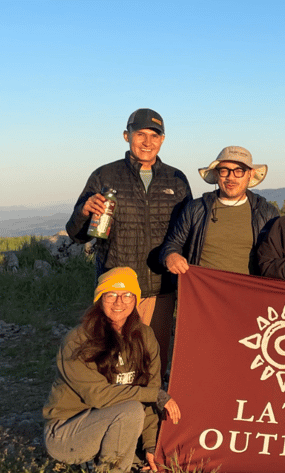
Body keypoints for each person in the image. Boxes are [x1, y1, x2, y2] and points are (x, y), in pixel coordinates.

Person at [65, 108, 192, 380]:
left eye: (154, 136)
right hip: (118, 287)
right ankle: (113, 414)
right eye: (140, 134)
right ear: (127, 136)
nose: (147, 142)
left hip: (161, 287)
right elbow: (76, 235)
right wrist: (84, 211)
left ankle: (150, 415)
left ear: (163, 140)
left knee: (155, 356)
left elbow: (187, 232)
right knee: (115, 358)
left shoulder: (177, 179)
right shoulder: (105, 176)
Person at [42, 267, 182, 473]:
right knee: (132, 410)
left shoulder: (145, 336)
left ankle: (116, 467)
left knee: (134, 415)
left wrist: (151, 446)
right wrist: (154, 395)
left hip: (113, 422)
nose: (120, 302)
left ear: (136, 299)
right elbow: (98, 396)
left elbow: (152, 390)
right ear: (99, 299)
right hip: (66, 432)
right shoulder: (77, 340)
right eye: (111, 295)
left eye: (127, 295)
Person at [160, 146, 280, 276]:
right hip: (203, 292)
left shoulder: (267, 213)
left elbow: (278, 256)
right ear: (216, 174)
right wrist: (170, 256)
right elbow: (172, 244)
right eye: (224, 171)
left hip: (249, 293)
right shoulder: (196, 209)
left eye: (239, 171)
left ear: (250, 174)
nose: (230, 177)